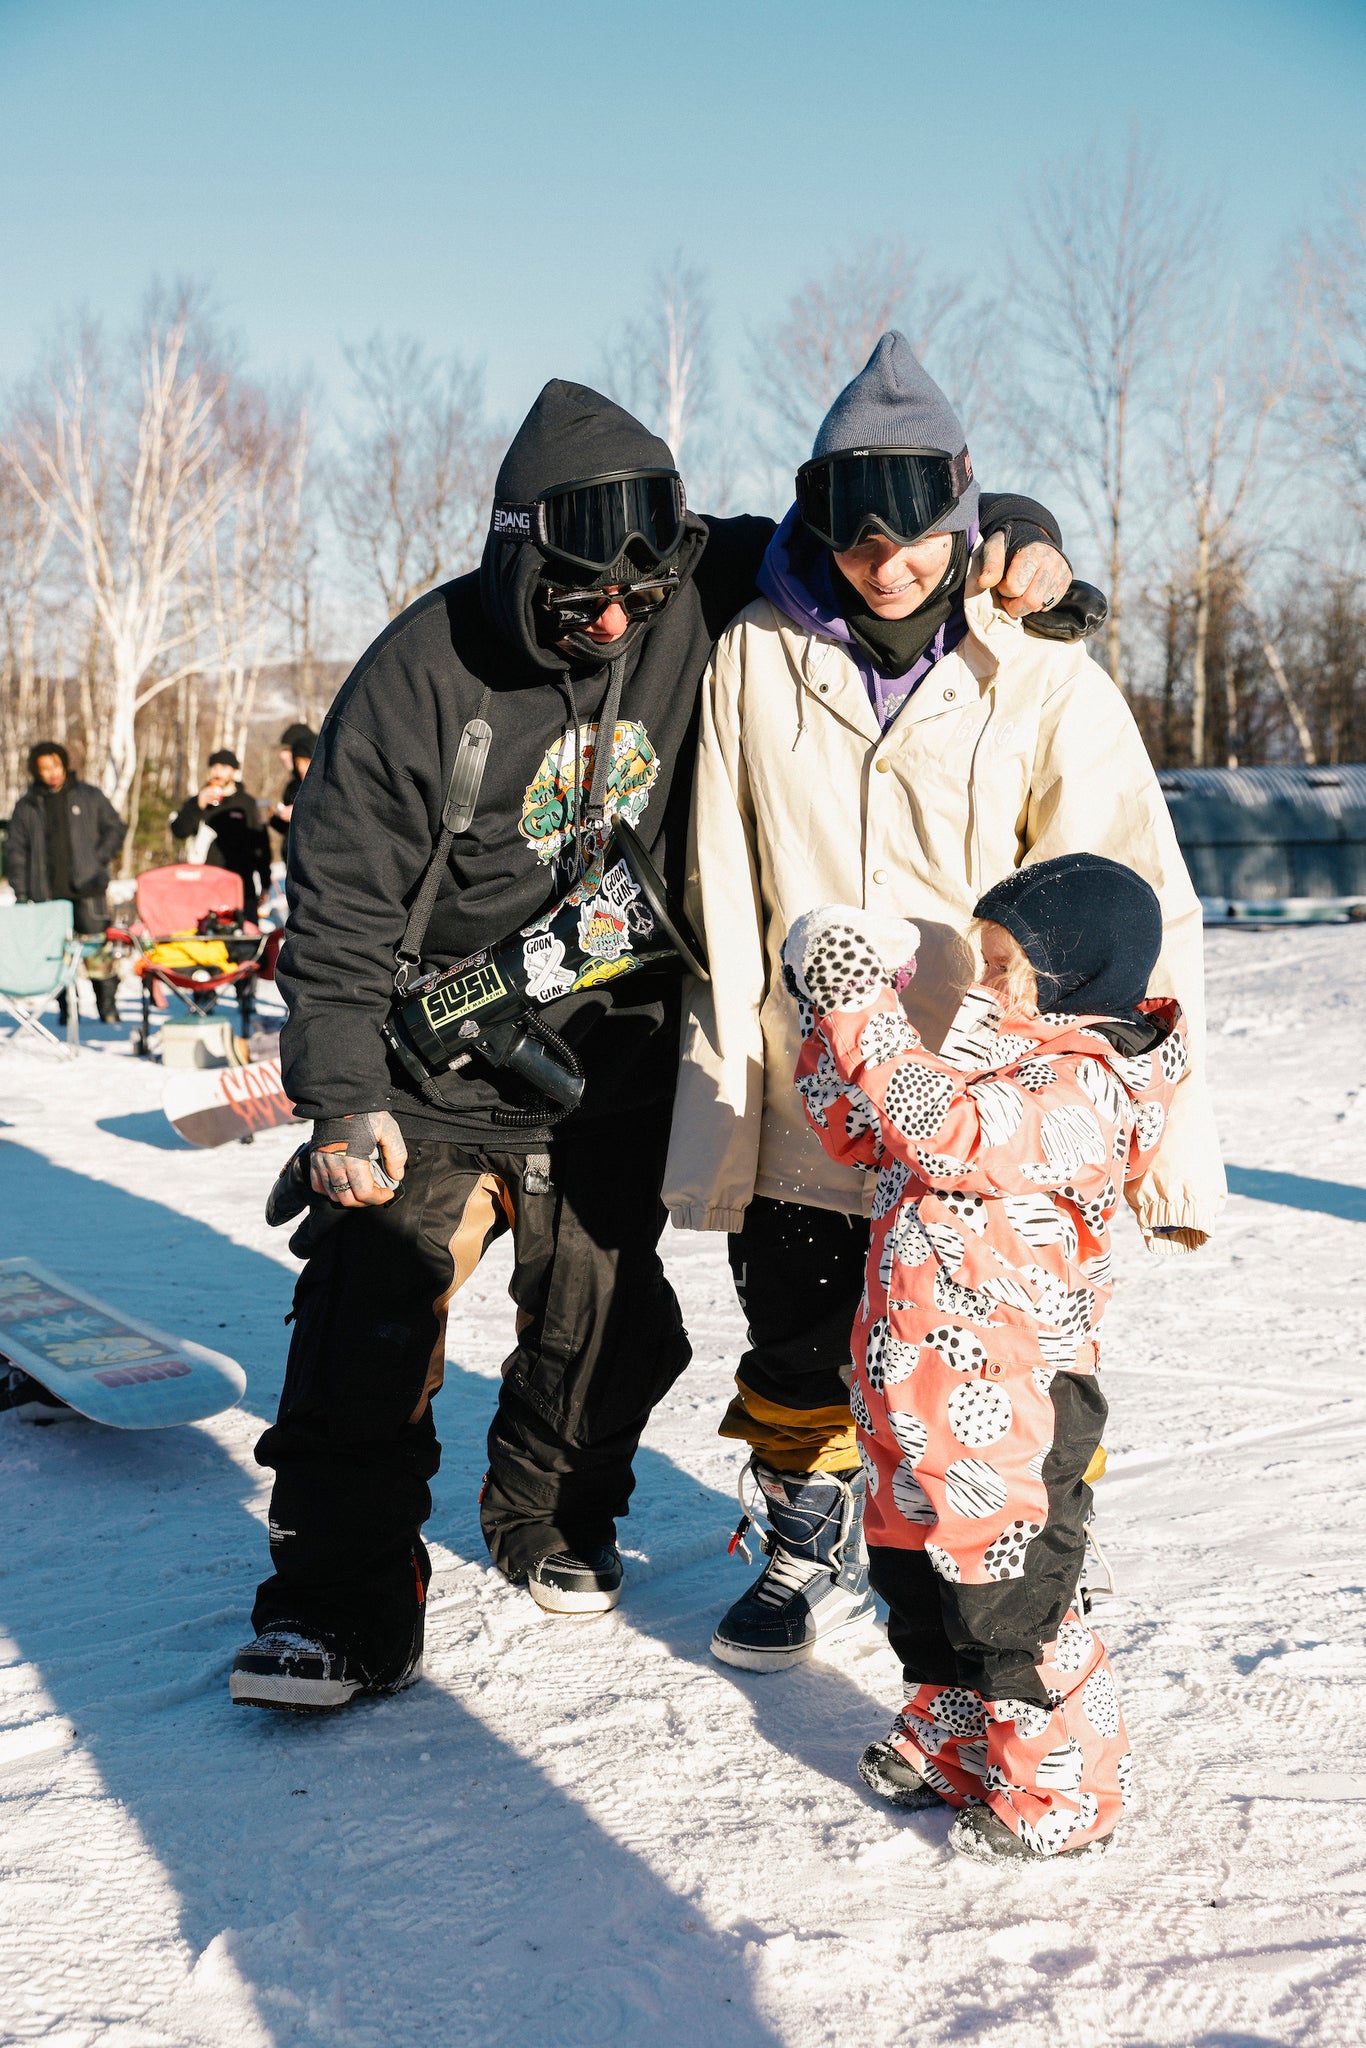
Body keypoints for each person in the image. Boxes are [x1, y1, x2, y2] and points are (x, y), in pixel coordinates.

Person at [226, 372, 1079, 1715]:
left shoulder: (695, 580)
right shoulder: (414, 678)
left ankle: (549, 1515)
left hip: (609, 1056)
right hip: (434, 1058)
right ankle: (341, 1607)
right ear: (520, 561)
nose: (616, 620)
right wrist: (342, 1101)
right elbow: (332, 916)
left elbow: (871, 541)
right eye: (579, 602)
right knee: (370, 1309)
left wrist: (1011, 531)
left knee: (604, 1327)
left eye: (638, 593)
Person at [664, 333, 1225, 1674]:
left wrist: (1162, 1142)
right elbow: (722, 867)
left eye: (918, 537)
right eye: (857, 539)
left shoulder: (1035, 671)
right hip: (817, 1077)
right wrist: (725, 1100)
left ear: (962, 517)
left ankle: (977, 1616)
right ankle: (805, 1528)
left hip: (984, 1106)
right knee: (794, 1334)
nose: (889, 565)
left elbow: (1128, 893)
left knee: (966, 1371)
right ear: (818, 521)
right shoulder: (755, 651)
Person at [779, 856, 1187, 1859]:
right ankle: (958, 1739)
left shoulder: (1086, 1085)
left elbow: (950, 1132)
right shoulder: (991, 1055)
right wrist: (826, 1018)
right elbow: (863, 1129)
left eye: (1008, 969)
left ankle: (1062, 1791)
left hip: (1013, 1396)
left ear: (1081, 973)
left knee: (1012, 1600)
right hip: (911, 1380)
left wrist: (869, 1013)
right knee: (920, 1578)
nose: (984, 986)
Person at [6, 741, 124, 1024]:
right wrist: (21, 892)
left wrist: (98, 858)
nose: (52, 773)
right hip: (48, 895)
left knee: (97, 950)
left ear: (64, 765)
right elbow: (16, 851)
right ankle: (67, 1010)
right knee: (58, 955)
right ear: (36, 771)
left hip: (88, 889)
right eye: (45, 768)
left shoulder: (88, 795)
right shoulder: (27, 806)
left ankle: (106, 1008)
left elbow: (115, 827)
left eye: (56, 766)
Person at [171, 750, 271, 910]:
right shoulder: (197, 801)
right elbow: (179, 831)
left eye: (224, 767)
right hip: (204, 885)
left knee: (245, 932)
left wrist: (265, 882)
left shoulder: (247, 803)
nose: (217, 772)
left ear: (234, 771)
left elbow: (261, 845)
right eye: (214, 767)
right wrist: (197, 806)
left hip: (241, 886)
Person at [268, 724, 317, 856]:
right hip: (292, 860)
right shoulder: (292, 787)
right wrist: (273, 817)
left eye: (288, 749)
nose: (282, 755)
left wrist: (301, 812)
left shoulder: (329, 784)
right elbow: (289, 830)